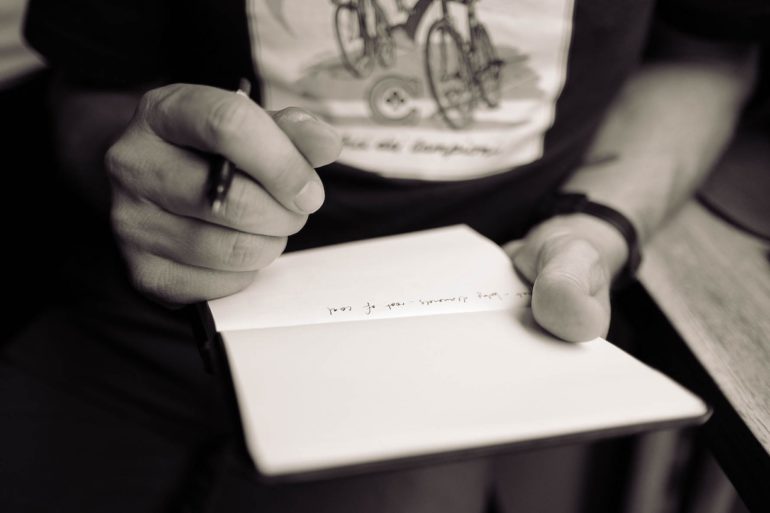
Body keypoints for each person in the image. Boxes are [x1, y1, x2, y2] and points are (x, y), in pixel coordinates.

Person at [1, 0, 765, 511]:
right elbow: (94, 82)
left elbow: (706, 55)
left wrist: (595, 225)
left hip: (457, 341)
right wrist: (136, 173)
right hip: (126, 313)